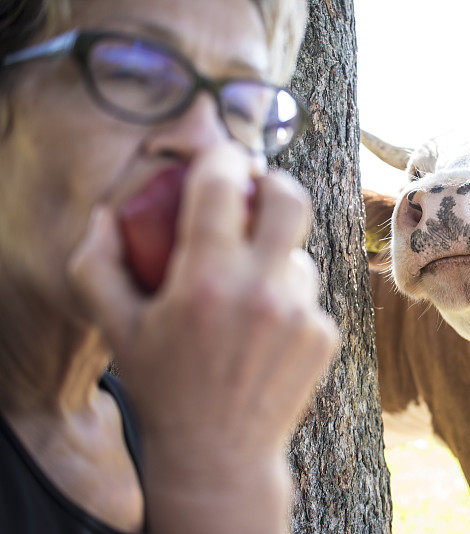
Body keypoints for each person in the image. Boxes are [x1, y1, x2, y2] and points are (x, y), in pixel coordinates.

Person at [0, 0, 339, 532]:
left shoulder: (158, 426)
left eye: (243, 109)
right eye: (135, 71)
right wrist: (219, 481)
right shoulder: (196, 449)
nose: (208, 144)